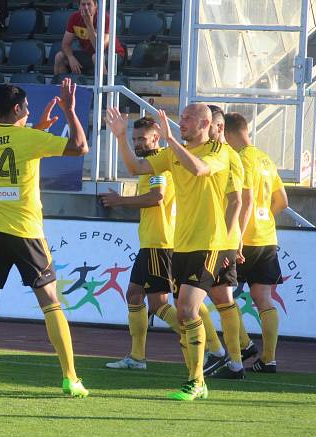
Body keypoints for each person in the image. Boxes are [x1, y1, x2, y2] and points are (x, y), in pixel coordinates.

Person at [106, 104, 235, 401]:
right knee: (180, 309)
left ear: (205, 123)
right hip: (181, 244)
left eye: (188, 118)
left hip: (209, 242)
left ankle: (198, 378)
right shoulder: (172, 154)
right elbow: (136, 168)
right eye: (182, 118)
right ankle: (198, 373)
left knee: (187, 309)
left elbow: (199, 169)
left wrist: (171, 140)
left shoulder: (218, 151)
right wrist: (120, 137)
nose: (182, 122)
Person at [0, 79, 89, 399]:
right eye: (26, 107)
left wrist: (37, 127)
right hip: (25, 231)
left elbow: (12, 145)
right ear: (18, 108)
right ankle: (70, 378)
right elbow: (80, 147)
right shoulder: (30, 138)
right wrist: (70, 112)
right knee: (51, 303)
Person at [99, 116, 181, 370]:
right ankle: (137, 357)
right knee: (134, 295)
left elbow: (157, 198)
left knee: (158, 304)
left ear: (156, 138)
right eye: (134, 139)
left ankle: (205, 344)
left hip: (160, 242)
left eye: (142, 139)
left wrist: (120, 201)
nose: (137, 143)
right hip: (150, 241)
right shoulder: (150, 165)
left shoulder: (160, 165)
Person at [224, 112, 289, 373]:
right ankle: (269, 359)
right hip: (267, 238)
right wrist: (265, 220)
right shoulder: (265, 158)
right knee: (264, 298)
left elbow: (246, 200)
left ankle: (244, 343)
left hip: (245, 239)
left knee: (221, 291)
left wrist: (238, 236)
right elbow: (282, 201)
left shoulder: (242, 158)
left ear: (228, 134)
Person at [202, 105, 252, 380]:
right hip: (214, 239)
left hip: (218, 241)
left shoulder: (229, 157)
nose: (202, 128)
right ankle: (232, 361)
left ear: (218, 127)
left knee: (188, 295)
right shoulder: (213, 154)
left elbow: (239, 201)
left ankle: (221, 353)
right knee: (221, 298)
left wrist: (229, 242)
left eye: (206, 123)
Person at [54, 0, 125, 76]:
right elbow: (65, 44)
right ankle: (62, 85)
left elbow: (100, 48)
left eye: (89, 4)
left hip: (113, 55)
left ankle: (105, 86)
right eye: (83, 4)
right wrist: (71, 57)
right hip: (90, 55)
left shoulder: (105, 18)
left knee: (97, 57)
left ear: (95, 6)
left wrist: (89, 24)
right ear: (79, 7)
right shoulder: (74, 17)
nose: (86, 8)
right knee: (59, 57)